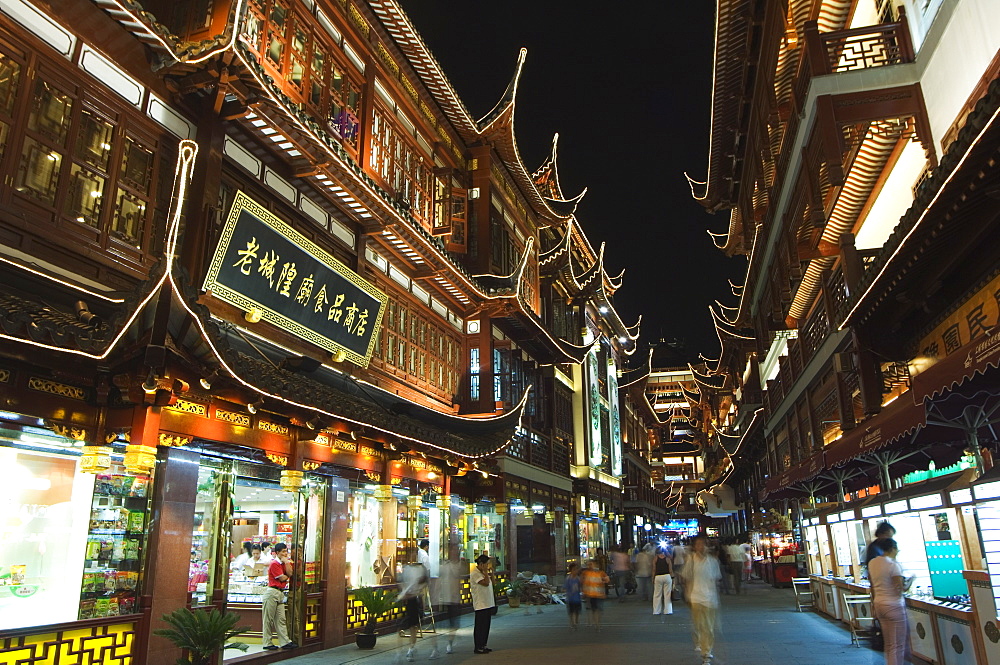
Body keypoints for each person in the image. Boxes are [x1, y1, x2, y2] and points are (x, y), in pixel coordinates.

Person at [869, 538, 913, 665]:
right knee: (897, 646)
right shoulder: (893, 565)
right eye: (897, 549)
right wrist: (911, 580)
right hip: (894, 606)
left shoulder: (873, 562)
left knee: (888, 644)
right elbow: (900, 588)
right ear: (892, 549)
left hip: (879, 604)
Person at [686, 535, 722, 664]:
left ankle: (706, 652)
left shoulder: (712, 561)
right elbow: (687, 578)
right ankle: (700, 644)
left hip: (710, 599)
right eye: (699, 544)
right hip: (696, 597)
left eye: (704, 544)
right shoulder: (691, 560)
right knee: (698, 625)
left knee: (708, 627)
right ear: (695, 546)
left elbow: (716, 580)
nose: (701, 547)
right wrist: (688, 594)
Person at [262, 543, 296, 651]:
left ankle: (285, 642)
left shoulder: (284, 563)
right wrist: (286, 575)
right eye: (282, 551)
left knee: (281, 619)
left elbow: (290, 573)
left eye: (286, 551)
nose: (285, 553)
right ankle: (267, 642)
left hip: (280, 593)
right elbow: (282, 578)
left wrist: (286, 563)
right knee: (268, 619)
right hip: (272, 593)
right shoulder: (274, 564)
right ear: (277, 553)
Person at [399, 560, 430, 661]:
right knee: (406, 626)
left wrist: (416, 592)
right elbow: (400, 582)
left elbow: (425, 582)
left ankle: (411, 648)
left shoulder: (420, 569)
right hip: (406, 599)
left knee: (413, 626)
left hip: (413, 600)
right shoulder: (406, 568)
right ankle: (408, 649)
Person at [437, 545, 462, 655]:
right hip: (445, 597)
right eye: (452, 551)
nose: (454, 553)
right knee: (446, 622)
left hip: (455, 598)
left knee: (454, 622)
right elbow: (438, 578)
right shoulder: (445, 565)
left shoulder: (459, 565)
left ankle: (450, 642)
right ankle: (449, 642)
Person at [470, 554, 495, 654]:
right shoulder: (475, 573)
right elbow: (485, 583)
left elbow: (492, 582)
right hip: (480, 604)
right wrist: (485, 572)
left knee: (486, 626)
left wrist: (491, 573)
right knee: (480, 626)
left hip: (488, 602)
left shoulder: (484, 573)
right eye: (487, 564)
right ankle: (478, 646)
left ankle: (484, 644)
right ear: (481, 564)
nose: (488, 566)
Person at [581, 559, 610, 631]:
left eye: (591, 564)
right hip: (591, 595)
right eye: (588, 564)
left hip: (599, 595)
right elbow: (583, 583)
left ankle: (598, 623)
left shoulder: (600, 573)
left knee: (599, 610)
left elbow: (607, 580)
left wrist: (604, 579)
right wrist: (584, 592)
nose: (589, 566)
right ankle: (597, 624)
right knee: (595, 610)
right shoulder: (585, 573)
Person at [652, 548, 674, 620]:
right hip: (667, 576)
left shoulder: (655, 558)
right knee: (667, 594)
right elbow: (670, 570)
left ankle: (656, 611)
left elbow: (654, 569)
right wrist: (673, 578)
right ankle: (668, 610)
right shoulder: (668, 559)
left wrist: (653, 578)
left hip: (658, 577)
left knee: (657, 594)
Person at [564, 562, 583, 629]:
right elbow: (565, 588)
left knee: (577, 611)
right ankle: (573, 623)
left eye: (576, 569)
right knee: (572, 612)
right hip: (571, 598)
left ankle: (576, 621)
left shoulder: (578, 578)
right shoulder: (568, 579)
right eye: (574, 569)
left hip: (577, 598)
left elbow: (580, 587)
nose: (575, 571)